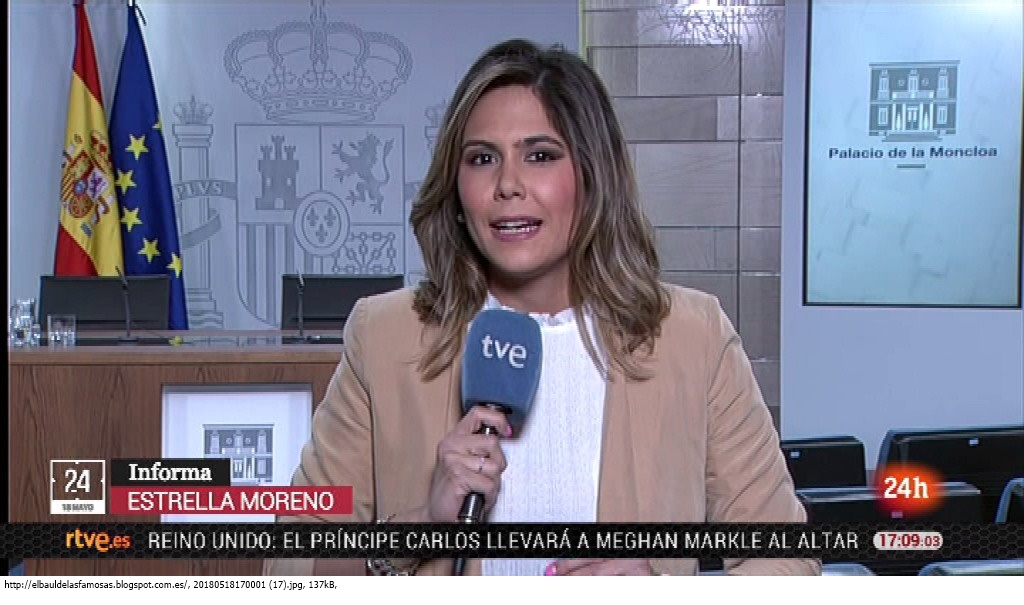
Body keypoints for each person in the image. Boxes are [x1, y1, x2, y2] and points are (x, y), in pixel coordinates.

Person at [264, 38, 819, 576]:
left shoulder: (691, 337)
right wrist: (420, 528)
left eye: (540, 156)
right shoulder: (385, 337)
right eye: (482, 158)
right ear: (456, 188)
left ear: (593, 175)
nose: (508, 184)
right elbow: (287, 565)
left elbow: (788, 559)